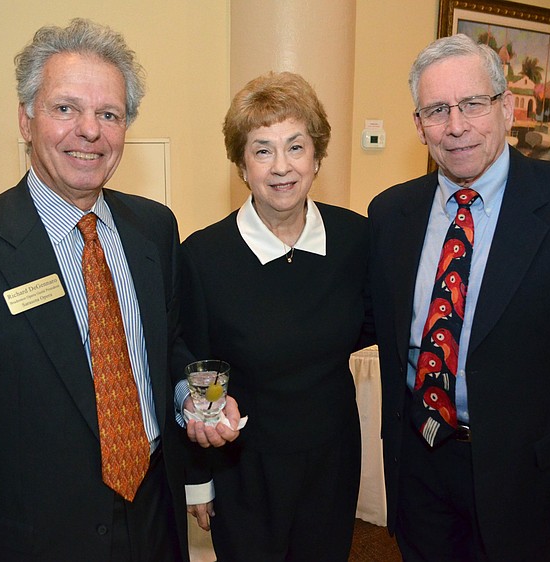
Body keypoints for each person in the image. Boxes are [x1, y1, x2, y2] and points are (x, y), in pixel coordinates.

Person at [0, 19, 192, 561]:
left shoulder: (156, 229)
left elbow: (168, 348)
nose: (89, 130)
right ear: (25, 120)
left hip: (155, 519)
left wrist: (189, 397)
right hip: (35, 540)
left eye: (109, 114)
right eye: (65, 108)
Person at [368, 34, 550, 561]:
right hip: (420, 464)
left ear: (508, 108)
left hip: (528, 480)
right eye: (436, 110)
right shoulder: (390, 213)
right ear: (418, 124)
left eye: (473, 104)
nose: (456, 126)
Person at [178, 71, 373, 561]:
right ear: (241, 165)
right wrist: (198, 480)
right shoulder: (202, 256)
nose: (281, 167)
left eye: (296, 147)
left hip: (331, 462)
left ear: (317, 156)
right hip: (243, 469)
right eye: (262, 149)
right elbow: (192, 366)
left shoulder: (357, 241)